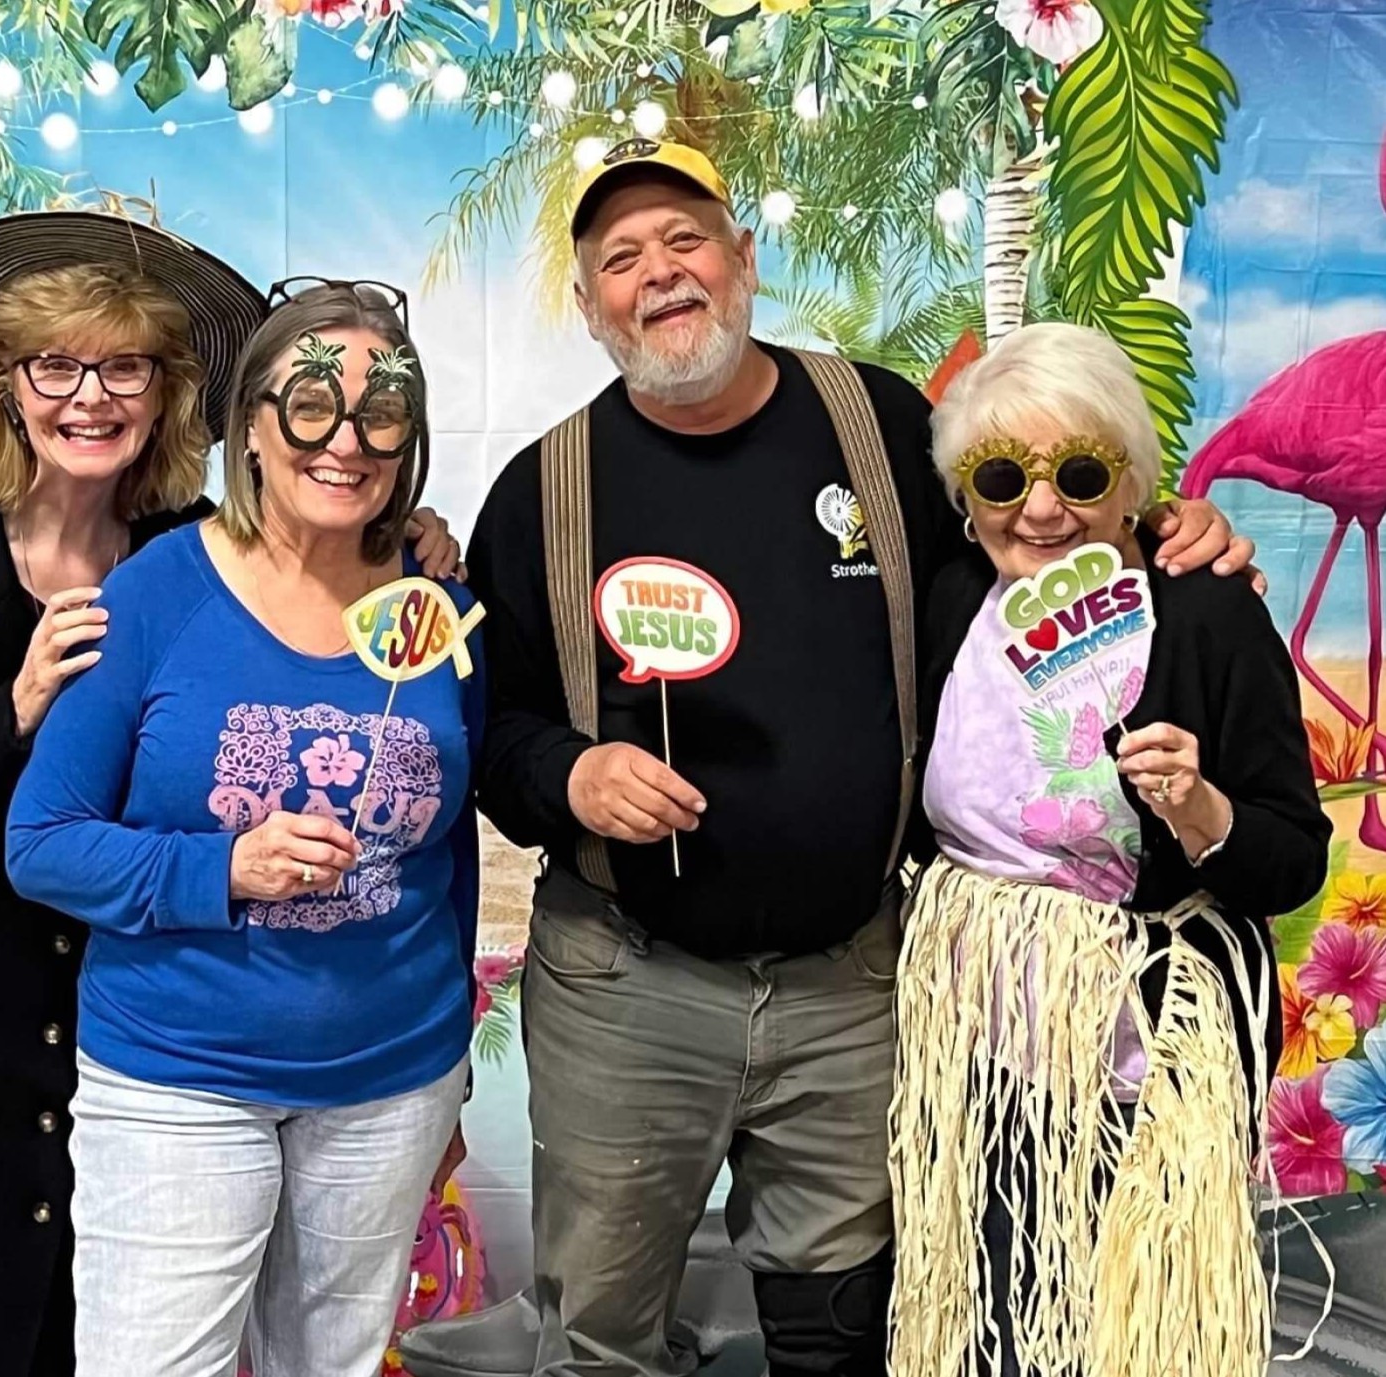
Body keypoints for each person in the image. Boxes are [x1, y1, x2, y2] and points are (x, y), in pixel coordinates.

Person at [451, 139, 1253, 1377]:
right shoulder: (541, 491)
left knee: (840, 1320)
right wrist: (569, 776)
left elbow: (1025, 542)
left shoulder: (876, 426)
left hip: (855, 980)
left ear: (744, 260)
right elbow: (494, 734)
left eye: (686, 240)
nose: (660, 274)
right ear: (588, 304)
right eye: (621, 258)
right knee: (603, 1325)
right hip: (628, 989)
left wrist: (1161, 525)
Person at [0, 217, 460, 1377]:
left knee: (92, 1322)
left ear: (170, 396)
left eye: (126, 368)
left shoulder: (192, 558)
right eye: (57, 366)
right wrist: (8, 710)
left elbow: (316, 563)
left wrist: (395, 536)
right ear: (6, 387)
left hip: (134, 1009)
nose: (90, 397)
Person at [5, 280, 483, 1377]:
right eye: (310, 403)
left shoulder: (439, 609)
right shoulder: (154, 594)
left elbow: (449, 850)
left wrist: (448, 1062)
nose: (345, 439)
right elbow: (41, 840)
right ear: (252, 426)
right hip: (181, 1077)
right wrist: (226, 867)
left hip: (389, 1082)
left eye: (382, 408)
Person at [887, 323, 1327, 1377]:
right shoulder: (956, 600)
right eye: (1001, 478)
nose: (1040, 508)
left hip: (1151, 1052)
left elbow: (1293, 858)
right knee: (988, 1308)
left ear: (1132, 483)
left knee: (1134, 1331)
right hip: (977, 1042)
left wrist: (1204, 813)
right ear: (965, 496)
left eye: (1079, 473)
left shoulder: (1207, 613)